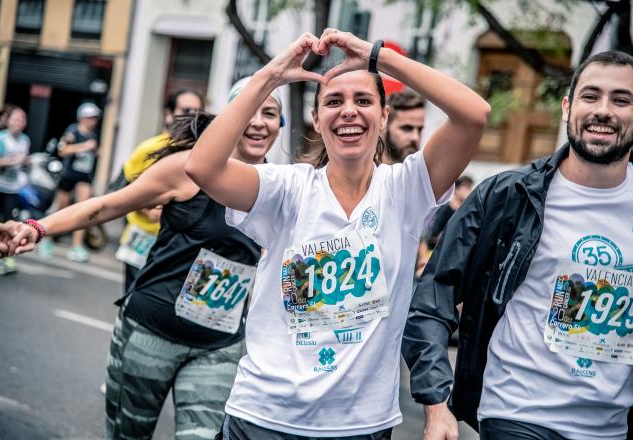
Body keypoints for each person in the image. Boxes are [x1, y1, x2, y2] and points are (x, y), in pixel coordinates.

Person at [184, 29, 489, 439]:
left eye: (363, 101)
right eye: (333, 101)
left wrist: (377, 57)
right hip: (263, 417)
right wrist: (271, 76)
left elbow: (473, 114)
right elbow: (202, 167)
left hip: (360, 424)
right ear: (316, 119)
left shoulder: (406, 189)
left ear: (383, 117)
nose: (348, 111)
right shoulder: (286, 189)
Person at [10, 80, 286, 440]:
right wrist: (38, 226)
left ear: (281, 125)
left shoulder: (282, 186)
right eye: (250, 109)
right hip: (151, 330)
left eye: (270, 113)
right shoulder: (186, 169)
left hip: (219, 344)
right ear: (231, 116)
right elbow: (107, 205)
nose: (259, 122)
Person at [401, 50, 633, 440]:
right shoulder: (508, 197)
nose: (603, 110)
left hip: (611, 427)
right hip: (517, 413)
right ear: (567, 107)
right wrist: (436, 402)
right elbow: (432, 297)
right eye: (591, 96)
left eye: (621, 100)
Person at [115, 89, 203, 293]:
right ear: (169, 114)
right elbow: (124, 186)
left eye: (197, 111)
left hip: (179, 245)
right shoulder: (149, 148)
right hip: (142, 238)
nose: (192, 116)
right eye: (186, 110)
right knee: (135, 297)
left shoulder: (202, 152)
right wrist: (146, 207)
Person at [39, 102, 101, 262]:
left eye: (95, 118)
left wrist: (96, 151)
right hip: (69, 175)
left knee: (84, 211)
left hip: (85, 176)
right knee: (62, 209)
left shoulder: (93, 135)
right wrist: (84, 146)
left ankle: (77, 246)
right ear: (82, 118)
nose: (93, 121)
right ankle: (47, 240)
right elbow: (62, 150)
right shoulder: (72, 132)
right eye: (90, 117)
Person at [0, 106, 29, 274]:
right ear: (8, 121)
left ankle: (8, 260)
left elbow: (22, 162)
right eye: (16, 119)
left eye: (22, 120)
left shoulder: (25, 140)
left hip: (11, 188)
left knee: (11, 224)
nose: (19, 123)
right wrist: (13, 160)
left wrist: (25, 162)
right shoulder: (0, 138)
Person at [422, 174, 473, 251]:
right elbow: (432, 235)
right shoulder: (445, 209)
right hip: (435, 251)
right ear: (456, 189)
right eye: (466, 188)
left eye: (470, 188)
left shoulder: (465, 211)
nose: (469, 192)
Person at [383, 90, 425, 163]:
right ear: (384, 125)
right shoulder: (369, 170)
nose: (415, 137)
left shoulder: (422, 170)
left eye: (420, 130)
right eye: (406, 128)